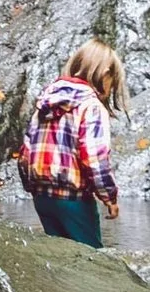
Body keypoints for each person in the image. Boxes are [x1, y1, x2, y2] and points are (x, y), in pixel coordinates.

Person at [16, 40, 128, 244]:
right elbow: (95, 159)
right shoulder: (91, 107)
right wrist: (109, 197)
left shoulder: (45, 103)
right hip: (73, 199)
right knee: (89, 260)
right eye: (112, 81)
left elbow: (25, 153)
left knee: (60, 259)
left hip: (42, 197)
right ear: (104, 73)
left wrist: (32, 187)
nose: (111, 88)